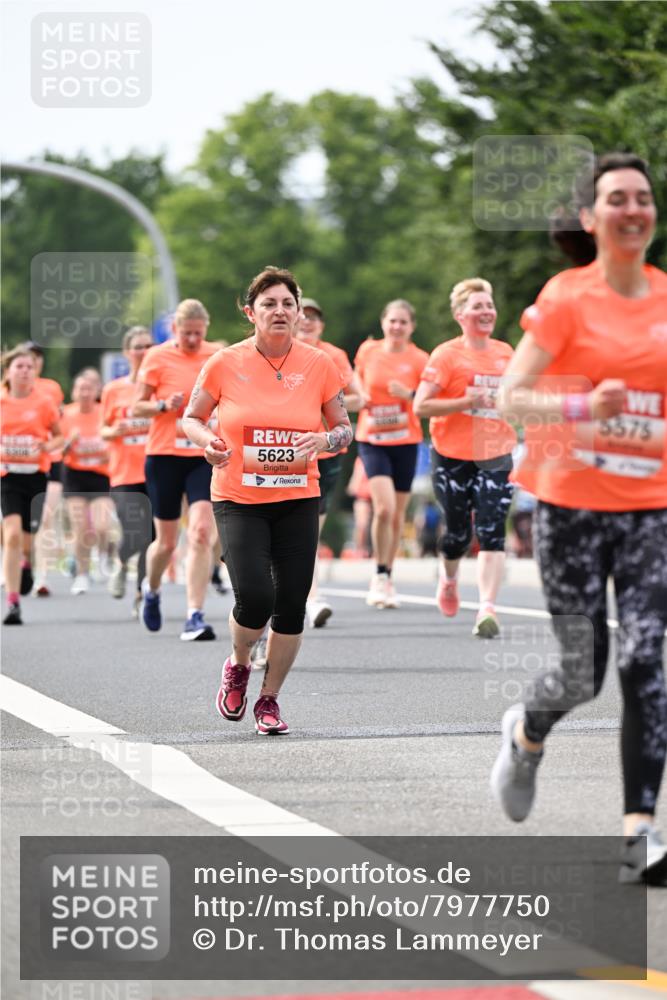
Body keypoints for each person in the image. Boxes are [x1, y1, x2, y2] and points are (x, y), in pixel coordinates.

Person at [490, 152, 667, 885]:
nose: (631, 209)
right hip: (567, 505)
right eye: (615, 198)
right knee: (582, 671)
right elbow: (508, 398)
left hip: (649, 510)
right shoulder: (565, 298)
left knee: (647, 662)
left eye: (642, 198)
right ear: (591, 219)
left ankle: (639, 833)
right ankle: (526, 734)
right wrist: (578, 409)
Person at [182, 266, 351, 735]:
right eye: (270, 304)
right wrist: (205, 440)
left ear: (298, 313)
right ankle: (238, 662)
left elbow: (344, 428)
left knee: (291, 605)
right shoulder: (223, 362)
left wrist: (325, 442)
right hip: (239, 497)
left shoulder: (319, 364)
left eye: (288, 304)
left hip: (298, 496)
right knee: (256, 597)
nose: (280, 311)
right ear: (250, 313)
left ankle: (269, 699)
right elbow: (191, 418)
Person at [413, 278, 516, 637]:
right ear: (461, 315)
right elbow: (421, 405)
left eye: (489, 305)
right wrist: (466, 402)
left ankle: (487, 608)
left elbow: (517, 398)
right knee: (458, 532)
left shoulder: (506, 353)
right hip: (452, 454)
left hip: (496, 451)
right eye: (478, 307)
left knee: (491, 529)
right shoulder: (446, 355)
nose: (486, 312)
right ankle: (450, 579)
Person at [133, 299, 222, 641]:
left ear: (207, 329)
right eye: (186, 334)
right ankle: (151, 588)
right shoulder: (157, 357)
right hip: (164, 455)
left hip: (202, 454)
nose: (193, 340)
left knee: (201, 531)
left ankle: (194, 615)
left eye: (198, 334)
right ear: (175, 330)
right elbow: (137, 406)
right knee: (166, 543)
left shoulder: (217, 355)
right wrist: (160, 405)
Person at [354, 299, 429, 608]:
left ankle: (388, 573)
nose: (397, 327)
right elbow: (355, 376)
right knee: (383, 509)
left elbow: (429, 399)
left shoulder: (421, 359)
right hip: (372, 439)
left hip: (406, 440)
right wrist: (361, 394)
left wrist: (409, 395)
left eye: (403, 322)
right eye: (392, 321)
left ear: (411, 327)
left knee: (397, 514)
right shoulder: (368, 351)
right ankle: (378, 573)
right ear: (383, 322)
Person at [295, 297, 362, 627]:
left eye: (314, 318)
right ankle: (311, 597)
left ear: (322, 326)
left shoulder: (332, 356)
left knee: (310, 530)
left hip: (328, 452)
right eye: (302, 316)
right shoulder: (281, 353)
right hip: (290, 451)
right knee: (299, 529)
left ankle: (308, 595)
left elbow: (358, 397)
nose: (307, 322)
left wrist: (322, 402)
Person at [1, 346, 63, 624]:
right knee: (12, 536)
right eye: (19, 366)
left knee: (27, 541)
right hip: (7, 477)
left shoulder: (44, 403)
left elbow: (59, 439)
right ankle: (13, 603)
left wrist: (45, 445)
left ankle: (26, 562)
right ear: (8, 371)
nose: (25, 371)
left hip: (35, 477)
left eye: (29, 366)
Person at [100, 326, 154, 617]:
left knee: (154, 537)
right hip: (124, 473)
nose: (144, 351)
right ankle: (121, 564)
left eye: (148, 346)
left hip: (156, 469)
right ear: (127, 352)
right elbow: (102, 429)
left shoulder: (160, 387)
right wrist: (114, 429)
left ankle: (141, 595)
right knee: (137, 532)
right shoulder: (113, 390)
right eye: (138, 347)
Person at [60, 371, 113, 594]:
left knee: (101, 526)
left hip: (101, 475)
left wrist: (107, 452)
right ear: (74, 392)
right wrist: (68, 444)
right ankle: (82, 574)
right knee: (81, 527)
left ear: (96, 392)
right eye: (80, 389)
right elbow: (56, 451)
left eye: (89, 389)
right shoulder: (66, 415)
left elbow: (116, 441)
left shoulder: (104, 413)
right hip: (75, 476)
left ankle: (102, 557)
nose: (84, 393)